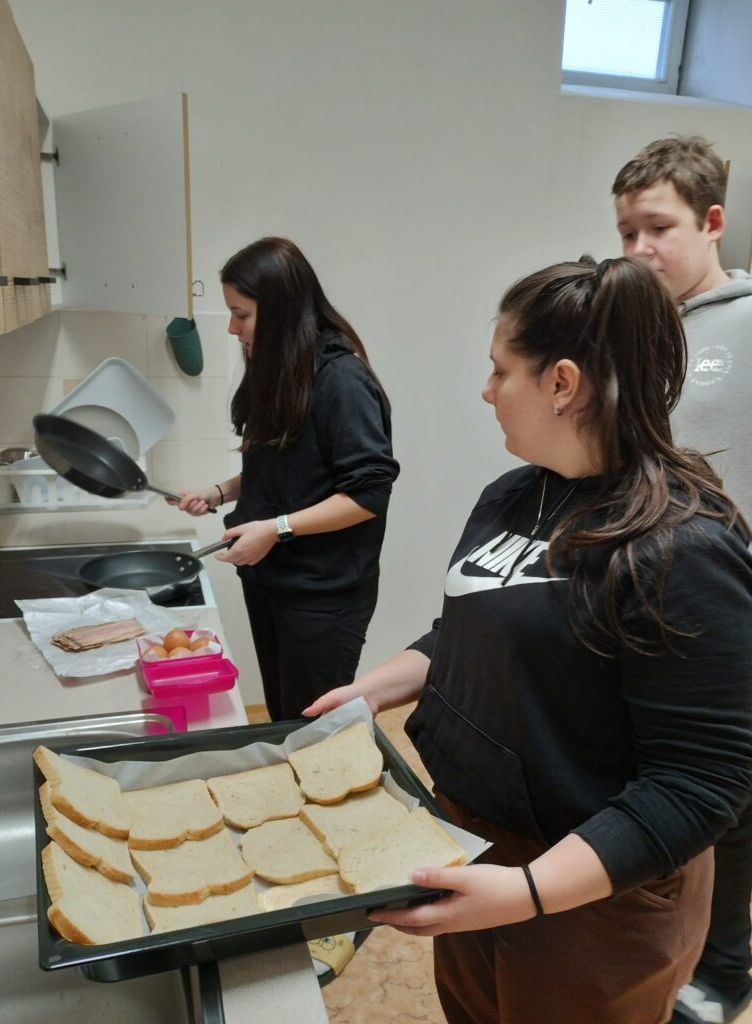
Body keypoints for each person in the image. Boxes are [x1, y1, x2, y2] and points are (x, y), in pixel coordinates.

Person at [305, 256, 752, 1024]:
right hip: (474, 850)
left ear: (561, 384)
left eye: (499, 369)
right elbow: (473, 628)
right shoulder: (515, 494)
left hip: (589, 894)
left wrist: (527, 892)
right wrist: (371, 691)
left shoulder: (681, 546)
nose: (486, 391)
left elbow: (698, 785)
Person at [613, 136, 752, 1024]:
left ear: (711, 222)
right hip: (646, 598)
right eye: (625, 231)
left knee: (729, 801)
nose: (637, 249)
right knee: (665, 783)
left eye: (656, 228)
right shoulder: (640, 331)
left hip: (730, 605)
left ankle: (725, 969)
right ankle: (672, 945)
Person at [175, 236, 399, 721]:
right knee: (283, 719)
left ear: (281, 311)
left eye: (241, 314)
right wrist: (219, 492)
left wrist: (275, 529)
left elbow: (368, 494)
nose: (232, 328)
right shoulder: (282, 369)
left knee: (312, 728)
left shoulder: (343, 381)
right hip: (270, 579)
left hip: (322, 595)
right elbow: (283, 465)